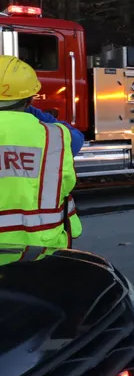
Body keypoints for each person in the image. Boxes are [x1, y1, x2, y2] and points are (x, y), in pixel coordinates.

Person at [0, 56, 82, 257]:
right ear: (30, 99)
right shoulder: (56, 135)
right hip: (41, 251)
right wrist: (33, 112)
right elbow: (77, 139)